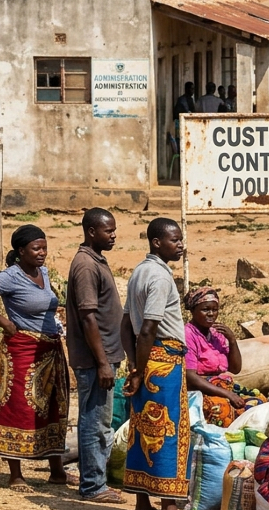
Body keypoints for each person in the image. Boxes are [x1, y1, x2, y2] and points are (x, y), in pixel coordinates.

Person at [120, 218, 189, 510]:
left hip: (145, 359)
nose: (181, 246)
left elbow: (126, 325)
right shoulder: (160, 278)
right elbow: (147, 328)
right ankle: (168, 502)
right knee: (167, 430)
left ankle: (142, 500)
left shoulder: (140, 271)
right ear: (157, 243)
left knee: (141, 428)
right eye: (175, 240)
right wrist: (139, 371)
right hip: (163, 363)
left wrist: (134, 364)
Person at [0, 225, 73, 493]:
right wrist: (4, 321)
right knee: (19, 407)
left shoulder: (42, 272)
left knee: (55, 405)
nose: (43, 253)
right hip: (22, 350)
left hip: (51, 349)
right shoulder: (9, 277)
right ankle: (16, 474)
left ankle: (57, 470)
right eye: (36, 248)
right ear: (21, 251)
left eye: (44, 248)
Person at [66, 208, 126, 503]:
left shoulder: (95, 260)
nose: (113, 235)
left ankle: (94, 481)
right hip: (94, 361)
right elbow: (88, 318)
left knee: (97, 421)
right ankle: (93, 486)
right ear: (91, 232)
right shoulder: (86, 266)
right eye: (108, 231)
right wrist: (103, 363)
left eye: (114, 230)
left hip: (103, 357)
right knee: (95, 422)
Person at [183, 287, 264, 427]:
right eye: (205, 309)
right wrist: (228, 395)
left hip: (221, 386)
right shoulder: (188, 334)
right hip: (198, 390)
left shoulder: (216, 333)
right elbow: (190, 376)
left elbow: (235, 368)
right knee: (221, 411)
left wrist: (232, 340)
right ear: (193, 310)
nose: (211, 314)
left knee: (259, 401)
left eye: (215, 310)